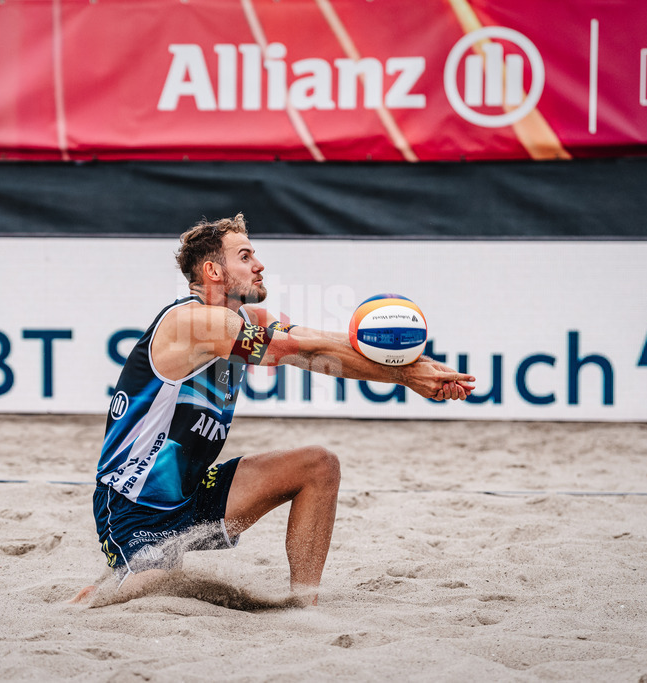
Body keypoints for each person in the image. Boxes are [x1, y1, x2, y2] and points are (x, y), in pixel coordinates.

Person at [73, 213, 474, 606]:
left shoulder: (250, 317)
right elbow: (286, 350)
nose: (259, 265)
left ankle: (304, 607)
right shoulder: (191, 322)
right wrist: (407, 375)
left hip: (192, 495)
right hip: (133, 507)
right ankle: (103, 590)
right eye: (245, 257)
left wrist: (414, 368)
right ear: (213, 271)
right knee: (148, 590)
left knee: (319, 464)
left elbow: (323, 347)